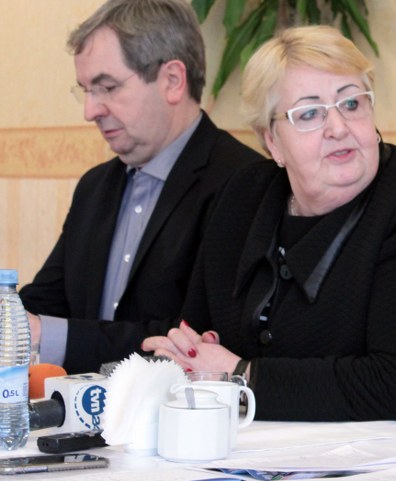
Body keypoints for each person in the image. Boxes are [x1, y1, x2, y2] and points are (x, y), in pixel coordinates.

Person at [141, 25, 396, 422]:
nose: (338, 127)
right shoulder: (241, 198)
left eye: (352, 103)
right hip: (252, 447)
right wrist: (190, 350)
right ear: (272, 141)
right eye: (309, 113)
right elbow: (196, 331)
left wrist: (240, 375)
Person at [20, 0, 266, 374]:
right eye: (86, 90)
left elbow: (196, 340)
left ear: (172, 80)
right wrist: (13, 321)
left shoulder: (244, 182)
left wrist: (46, 335)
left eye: (107, 87)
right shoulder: (94, 187)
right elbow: (45, 303)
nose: (90, 111)